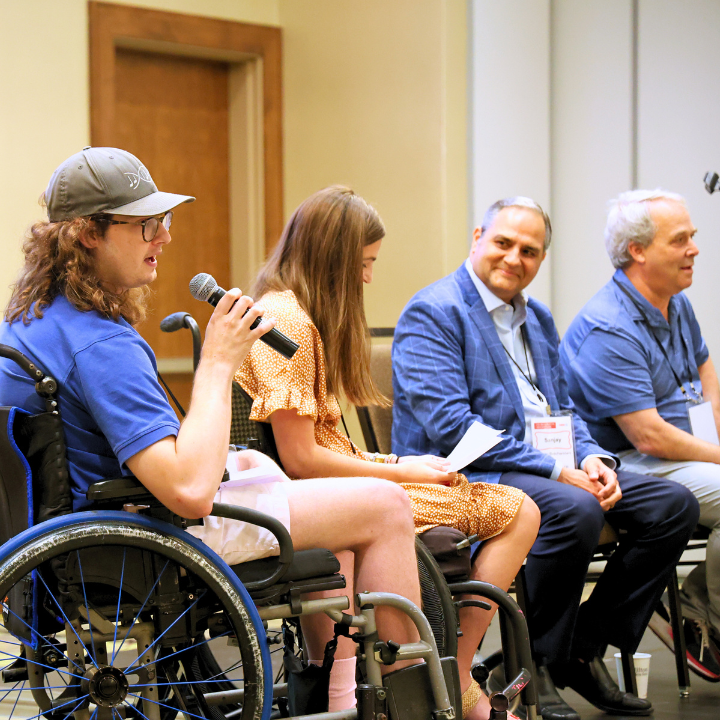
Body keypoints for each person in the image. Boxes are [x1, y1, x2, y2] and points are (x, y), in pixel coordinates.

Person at [0, 147, 426, 692]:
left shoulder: (31, 321)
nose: (165, 237)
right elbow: (190, 492)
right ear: (88, 233)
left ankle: (336, 694)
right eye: (147, 224)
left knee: (310, 502)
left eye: (165, 221)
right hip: (143, 541)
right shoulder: (101, 344)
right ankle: (403, 697)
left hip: (75, 542)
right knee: (387, 505)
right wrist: (219, 361)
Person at [236, 185, 541, 720]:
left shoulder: (287, 311)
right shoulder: (289, 323)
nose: (368, 278)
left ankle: (456, 678)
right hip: (325, 496)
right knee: (520, 510)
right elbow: (303, 460)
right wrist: (400, 474)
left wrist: (402, 465)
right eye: (364, 263)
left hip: (340, 486)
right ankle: (459, 679)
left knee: (501, 500)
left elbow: (322, 447)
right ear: (332, 260)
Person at [391, 196, 699, 720]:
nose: (515, 258)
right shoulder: (435, 311)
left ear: (541, 259)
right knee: (573, 508)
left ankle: (578, 650)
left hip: (543, 467)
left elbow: (565, 410)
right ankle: (531, 664)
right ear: (477, 238)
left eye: (530, 251)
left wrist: (597, 459)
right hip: (465, 472)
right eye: (504, 243)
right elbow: (455, 429)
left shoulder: (538, 319)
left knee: (671, 505)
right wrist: (560, 470)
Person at [560, 189, 720, 681]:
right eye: (681, 240)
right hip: (629, 462)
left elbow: (709, 384)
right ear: (638, 251)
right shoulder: (608, 326)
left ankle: (694, 603)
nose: (695, 247)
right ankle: (707, 618)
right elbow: (649, 436)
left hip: (686, 451)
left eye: (692, 236)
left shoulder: (677, 303)